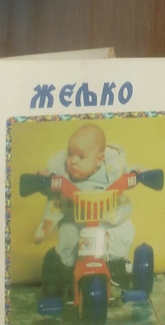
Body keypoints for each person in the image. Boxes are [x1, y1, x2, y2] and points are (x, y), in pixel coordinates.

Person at [35, 123, 134, 298]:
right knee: (67, 236)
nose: (73, 161)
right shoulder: (64, 173)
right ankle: (64, 269)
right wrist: (45, 180)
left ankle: (115, 262)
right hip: (76, 220)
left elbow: (127, 175)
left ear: (99, 159)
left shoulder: (111, 170)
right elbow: (54, 200)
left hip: (107, 219)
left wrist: (137, 175)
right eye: (70, 154)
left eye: (81, 157)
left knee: (125, 230)